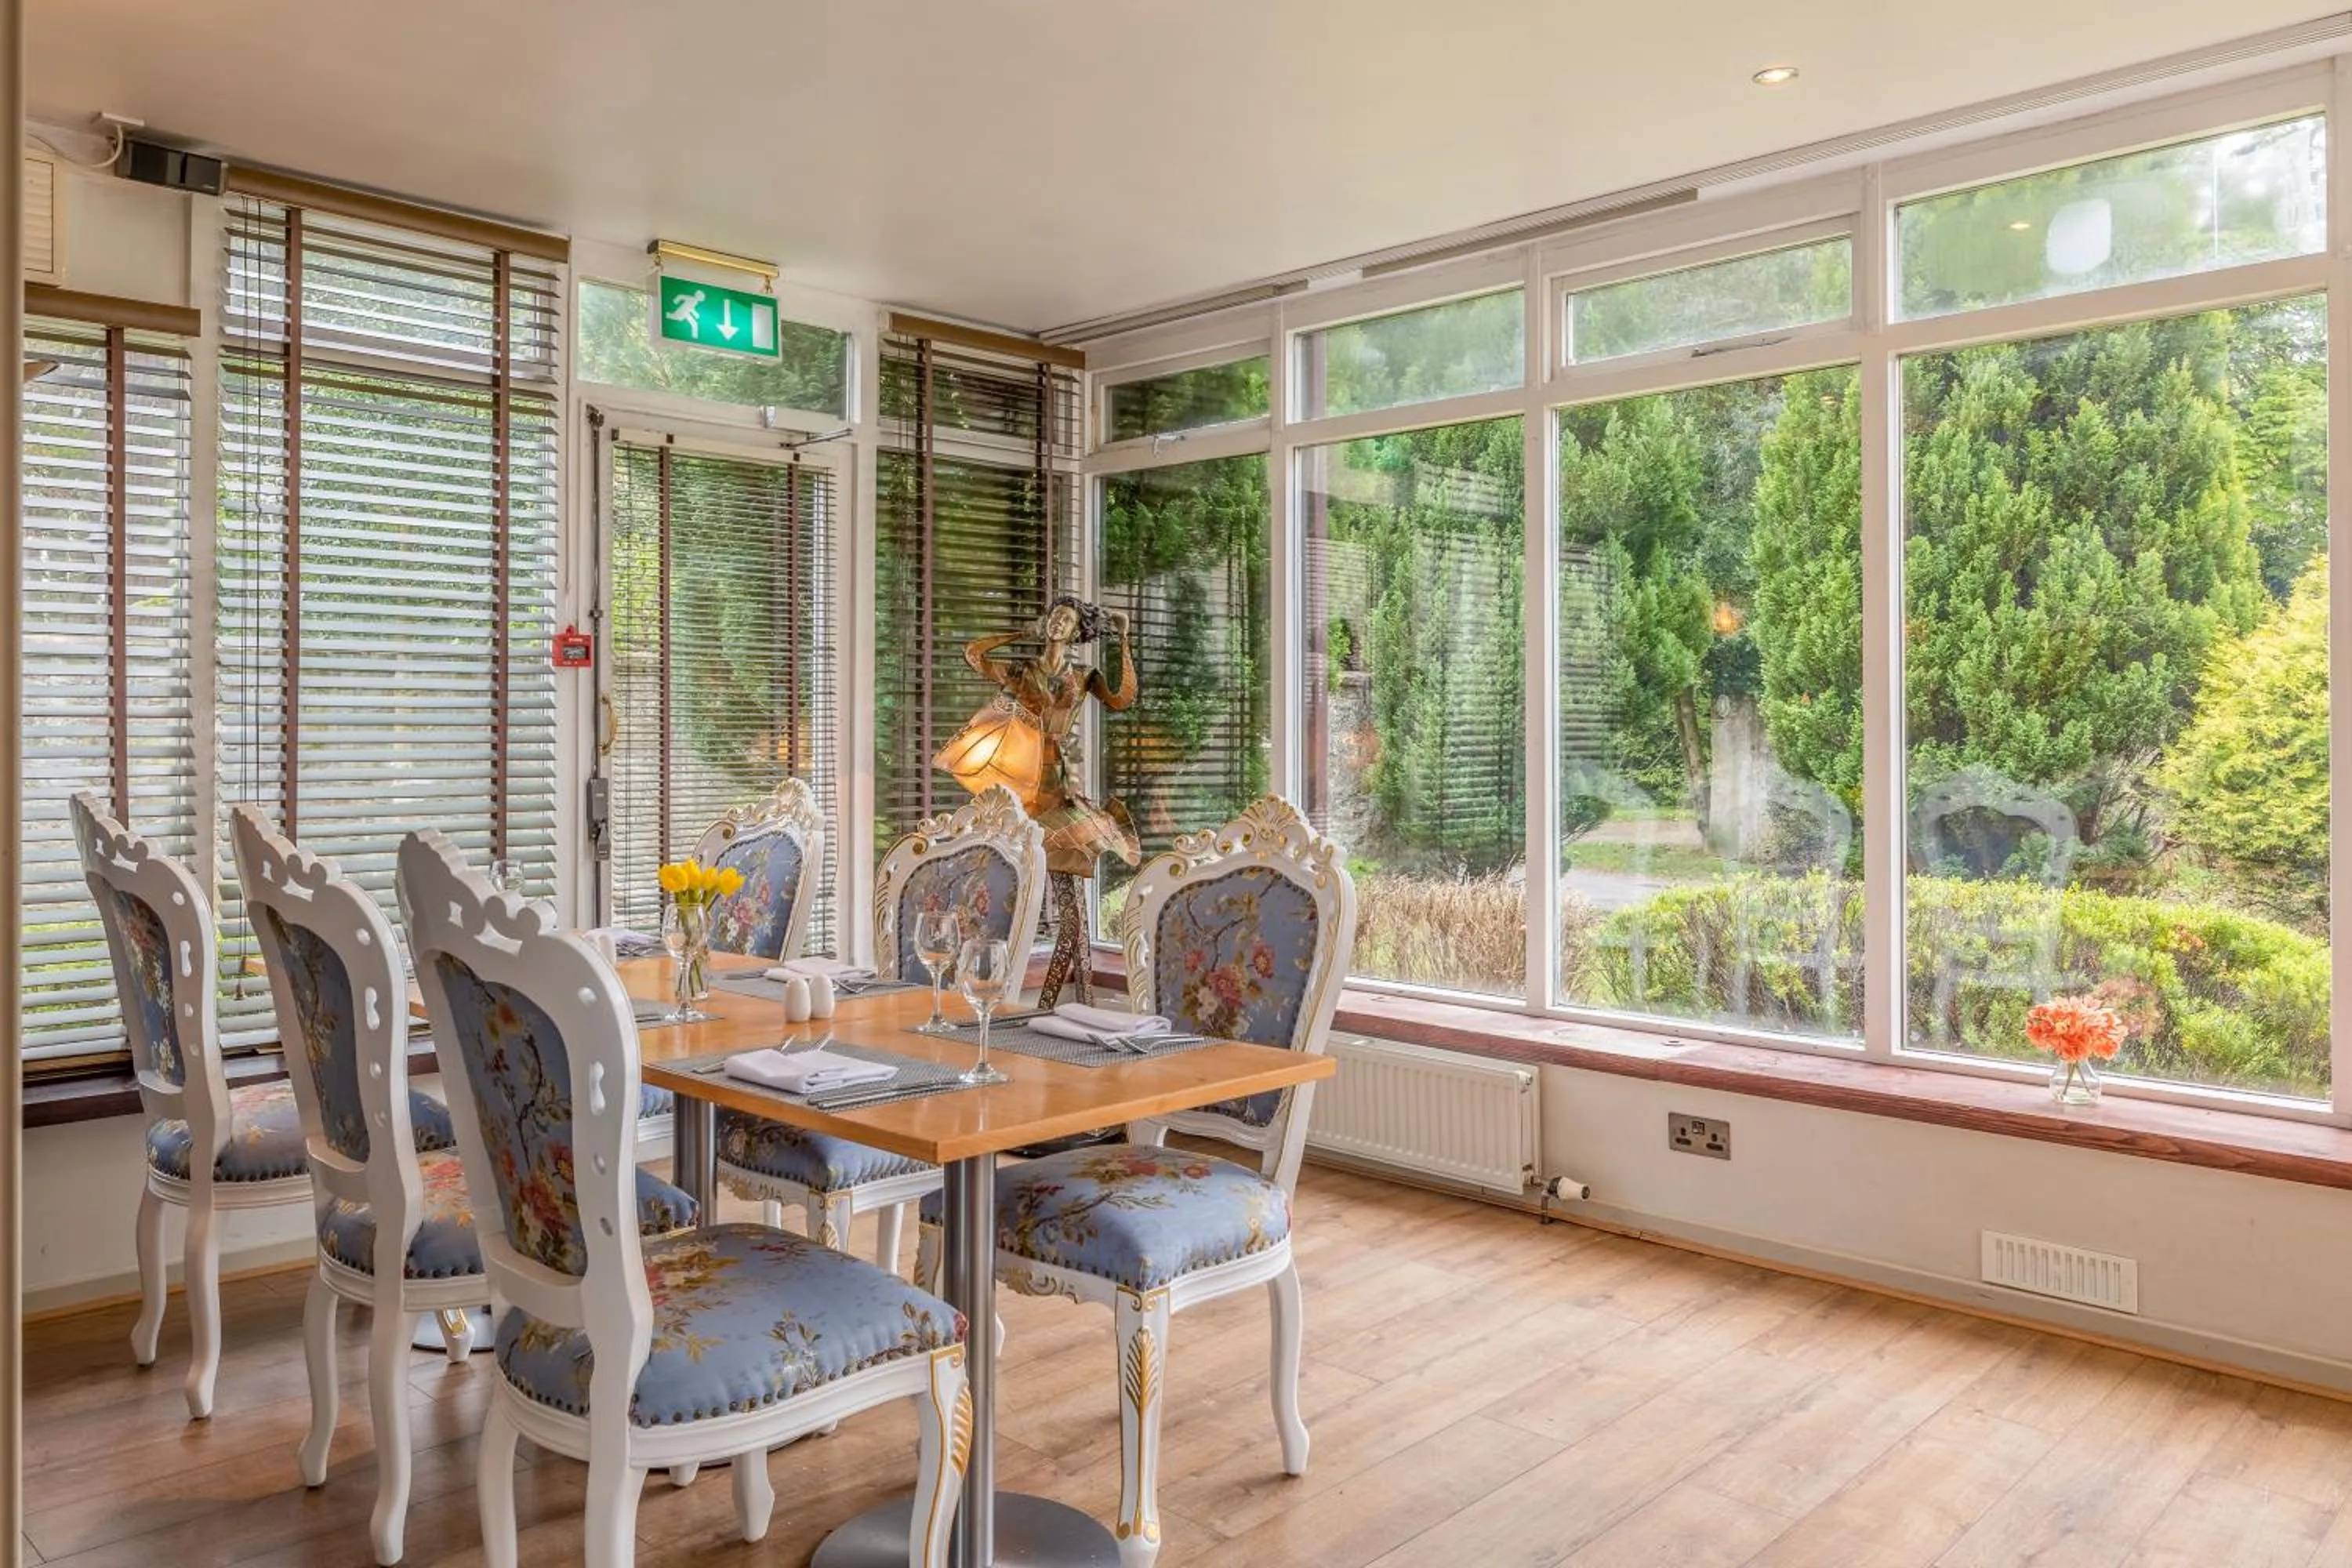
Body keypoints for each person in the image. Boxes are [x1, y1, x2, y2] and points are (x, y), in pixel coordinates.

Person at [938, 594, 1139, 1003]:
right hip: (1024, 779)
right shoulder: (1023, 670)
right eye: (1053, 617)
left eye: (1066, 620)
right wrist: (1020, 632)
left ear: (1078, 631)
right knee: (1009, 886)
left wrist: (1123, 640)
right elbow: (974, 654)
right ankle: (1023, 995)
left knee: (1069, 902)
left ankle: (1066, 1000)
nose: (1057, 624)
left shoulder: (1083, 676)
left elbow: (1122, 699)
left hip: (1061, 786)